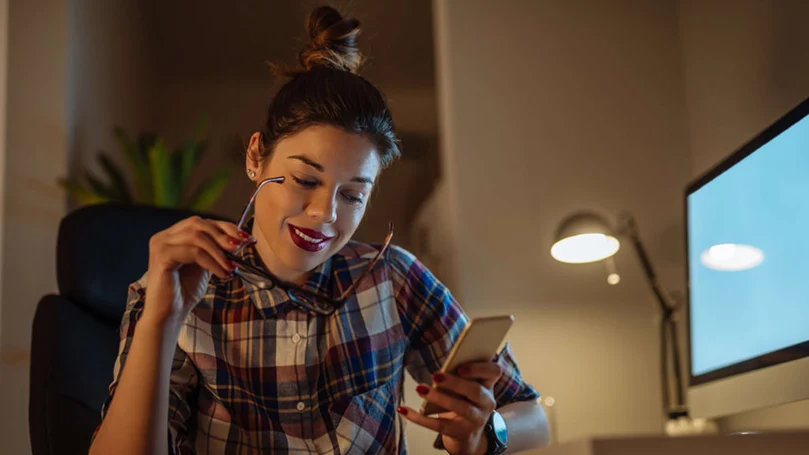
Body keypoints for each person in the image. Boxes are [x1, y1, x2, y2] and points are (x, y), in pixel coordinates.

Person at [89, 6, 550, 455]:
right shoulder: (178, 295)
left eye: (352, 195)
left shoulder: (394, 279)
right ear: (255, 157)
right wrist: (163, 320)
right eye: (305, 180)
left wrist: (488, 433)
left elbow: (534, 417)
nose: (324, 213)